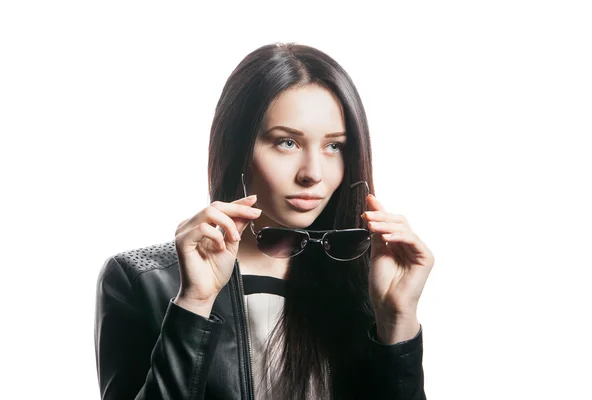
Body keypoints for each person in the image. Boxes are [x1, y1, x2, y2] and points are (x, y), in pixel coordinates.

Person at [94, 42, 435, 400]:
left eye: (334, 146)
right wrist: (194, 303)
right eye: (287, 142)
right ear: (237, 149)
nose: (313, 174)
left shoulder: (367, 278)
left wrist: (398, 321)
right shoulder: (142, 280)